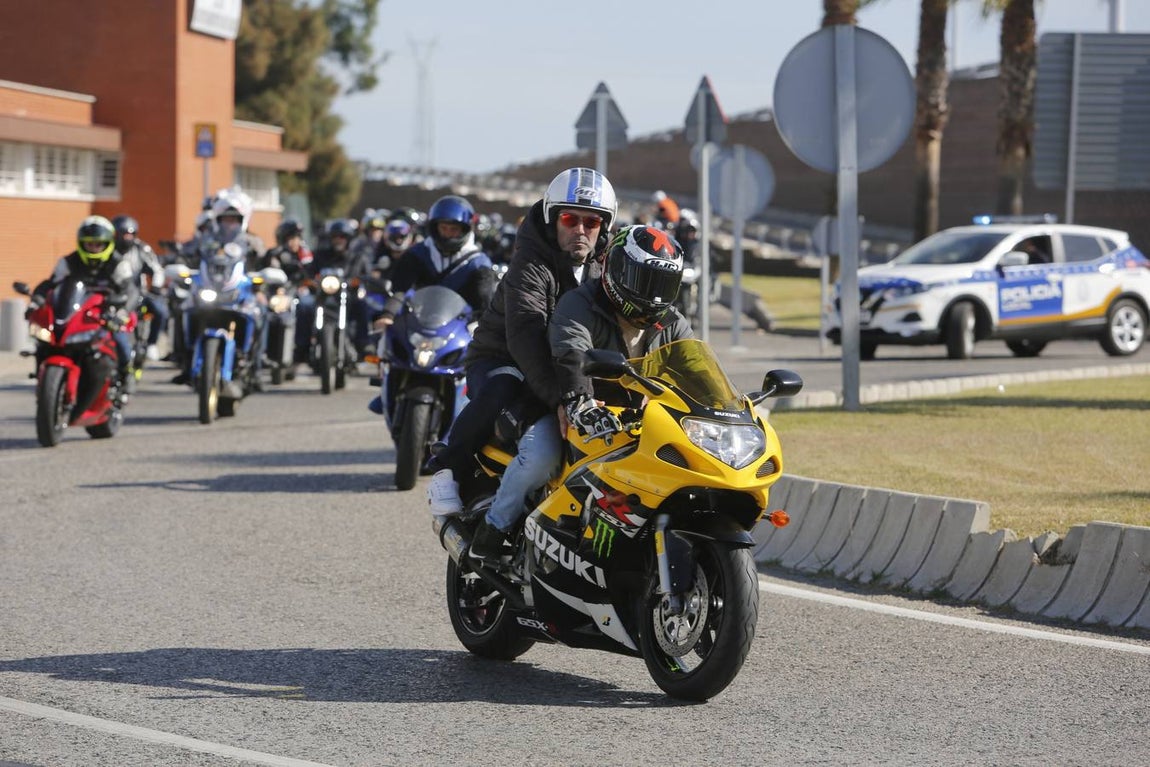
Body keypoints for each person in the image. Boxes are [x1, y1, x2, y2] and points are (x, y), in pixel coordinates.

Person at [467, 225, 693, 560]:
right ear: (619, 270)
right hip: (570, 407)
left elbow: (694, 367)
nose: (654, 295)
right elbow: (570, 352)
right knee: (539, 458)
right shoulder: (581, 303)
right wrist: (578, 400)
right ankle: (493, 528)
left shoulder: (671, 321)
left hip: (634, 420)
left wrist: (725, 406)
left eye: (663, 284)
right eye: (645, 281)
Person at [422, 167, 617, 554]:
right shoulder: (529, 266)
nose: (581, 229)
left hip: (557, 371)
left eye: (591, 221)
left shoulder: (604, 269)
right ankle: (449, 467)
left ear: (604, 228)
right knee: (506, 389)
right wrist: (565, 401)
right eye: (569, 218)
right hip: (502, 358)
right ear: (551, 218)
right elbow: (527, 338)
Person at [29, 215, 139, 398]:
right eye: (89, 244)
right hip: (76, 312)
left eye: (98, 244)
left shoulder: (119, 264)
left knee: (120, 339)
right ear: (81, 243)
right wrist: (36, 301)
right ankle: (43, 378)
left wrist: (122, 311)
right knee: (46, 340)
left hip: (108, 312)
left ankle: (126, 373)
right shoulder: (68, 262)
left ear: (107, 243)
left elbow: (131, 291)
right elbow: (51, 284)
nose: (93, 248)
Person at [374, 195, 496, 326]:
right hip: (419, 325)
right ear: (434, 227)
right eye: (443, 228)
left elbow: (484, 304)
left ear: (465, 229)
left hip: (460, 332)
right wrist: (388, 314)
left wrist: (478, 326)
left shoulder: (478, 263)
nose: (448, 234)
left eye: (454, 229)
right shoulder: (418, 253)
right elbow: (399, 290)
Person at [293, 218, 369, 363]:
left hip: (347, 297)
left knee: (362, 304)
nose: (338, 240)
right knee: (303, 306)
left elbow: (364, 275)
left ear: (348, 239)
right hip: (322, 297)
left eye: (341, 237)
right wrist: (308, 280)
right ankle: (302, 347)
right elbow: (309, 272)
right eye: (335, 237)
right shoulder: (321, 255)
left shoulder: (356, 257)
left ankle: (363, 344)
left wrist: (358, 281)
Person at [112, 214, 169, 362]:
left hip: (139, 293)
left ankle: (151, 343)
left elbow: (157, 269)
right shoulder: (108, 249)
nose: (127, 238)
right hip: (114, 293)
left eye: (131, 234)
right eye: (124, 234)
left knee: (161, 310)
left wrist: (156, 286)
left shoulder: (142, 248)